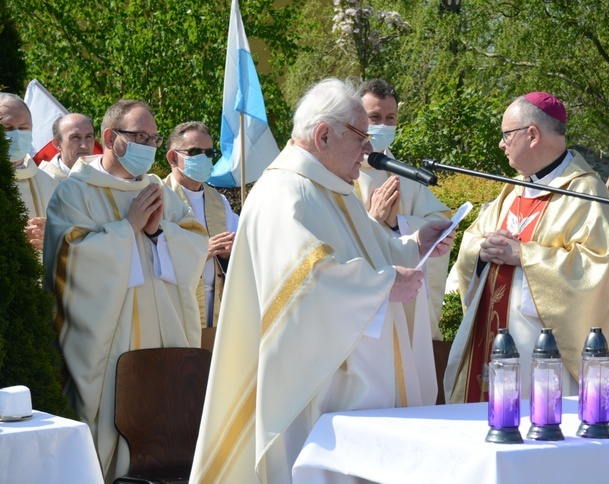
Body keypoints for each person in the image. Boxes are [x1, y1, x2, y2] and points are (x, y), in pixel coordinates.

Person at [190, 78, 455, 484]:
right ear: (324, 134)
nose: (369, 149)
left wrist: (413, 246)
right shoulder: (284, 191)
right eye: (361, 137)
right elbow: (304, 285)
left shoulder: (334, 188)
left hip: (355, 390)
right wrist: (383, 286)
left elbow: (365, 256)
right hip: (319, 392)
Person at [43, 99, 208, 482]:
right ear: (110, 138)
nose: (148, 146)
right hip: (108, 336)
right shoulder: (75, 193)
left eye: (152, 137)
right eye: (139, 136)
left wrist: (157, 234)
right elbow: (68, 259)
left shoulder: (158, 191)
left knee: (170, 428)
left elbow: (195, 242)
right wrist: (127, 229)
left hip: (165, 334)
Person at [444, 92, 609, 403]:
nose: (501, 144)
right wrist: (480, 250)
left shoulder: (587, 193)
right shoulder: (514, 188)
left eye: (506, 135)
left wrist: (524, 256)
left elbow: (598, 271)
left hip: (545, 350)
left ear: (532, 135)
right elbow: (473, 238)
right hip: (493, 341)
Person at [356, 79, 451, 342]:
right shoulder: (338, 173)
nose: (383, 126)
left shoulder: (404, 174)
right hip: (364, 301)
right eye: (374, 117)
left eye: (391, 118)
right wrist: (372, 219)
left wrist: (398, 222)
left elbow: (441, 223)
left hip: (405, 294)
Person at [164, 121, 238, 328]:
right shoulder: (159, 197)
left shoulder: (220, 202)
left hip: (217, 300)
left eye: (209, 153)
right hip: (177, 302)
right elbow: (152, 254)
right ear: (172, 157)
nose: (203, 158)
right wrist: (201, 251)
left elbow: (238, 250)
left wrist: (227, 253)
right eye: (195, 151)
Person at [0, 92, 58, 252]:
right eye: (7, 128)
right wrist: (15, 237)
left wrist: (54, 233)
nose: (17, 135)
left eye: (23, 128)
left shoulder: (50, 182)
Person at [39, 113, 96, 181]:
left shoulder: (103, 176)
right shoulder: (42, 180)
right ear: (57, 143)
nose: (84, 145)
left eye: (88, 137)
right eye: (75, 137)